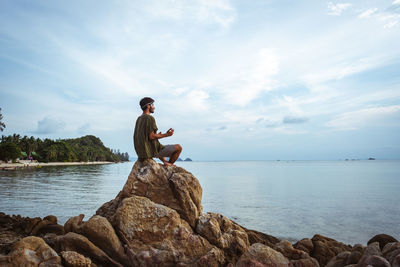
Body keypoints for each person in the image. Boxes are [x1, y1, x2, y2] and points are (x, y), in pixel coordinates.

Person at [133, 97, 182, 166]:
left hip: (141, 152)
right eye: (152, 105)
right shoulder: (149, 118)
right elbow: (151, 136)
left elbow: (146, 136)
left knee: (158, 144)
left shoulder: (139, 119)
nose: (154, 107)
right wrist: (166, 134)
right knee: (179, 147)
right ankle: (169, 165)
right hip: (149, 151)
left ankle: (165, 161)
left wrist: (157, 136)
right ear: (148, 106)